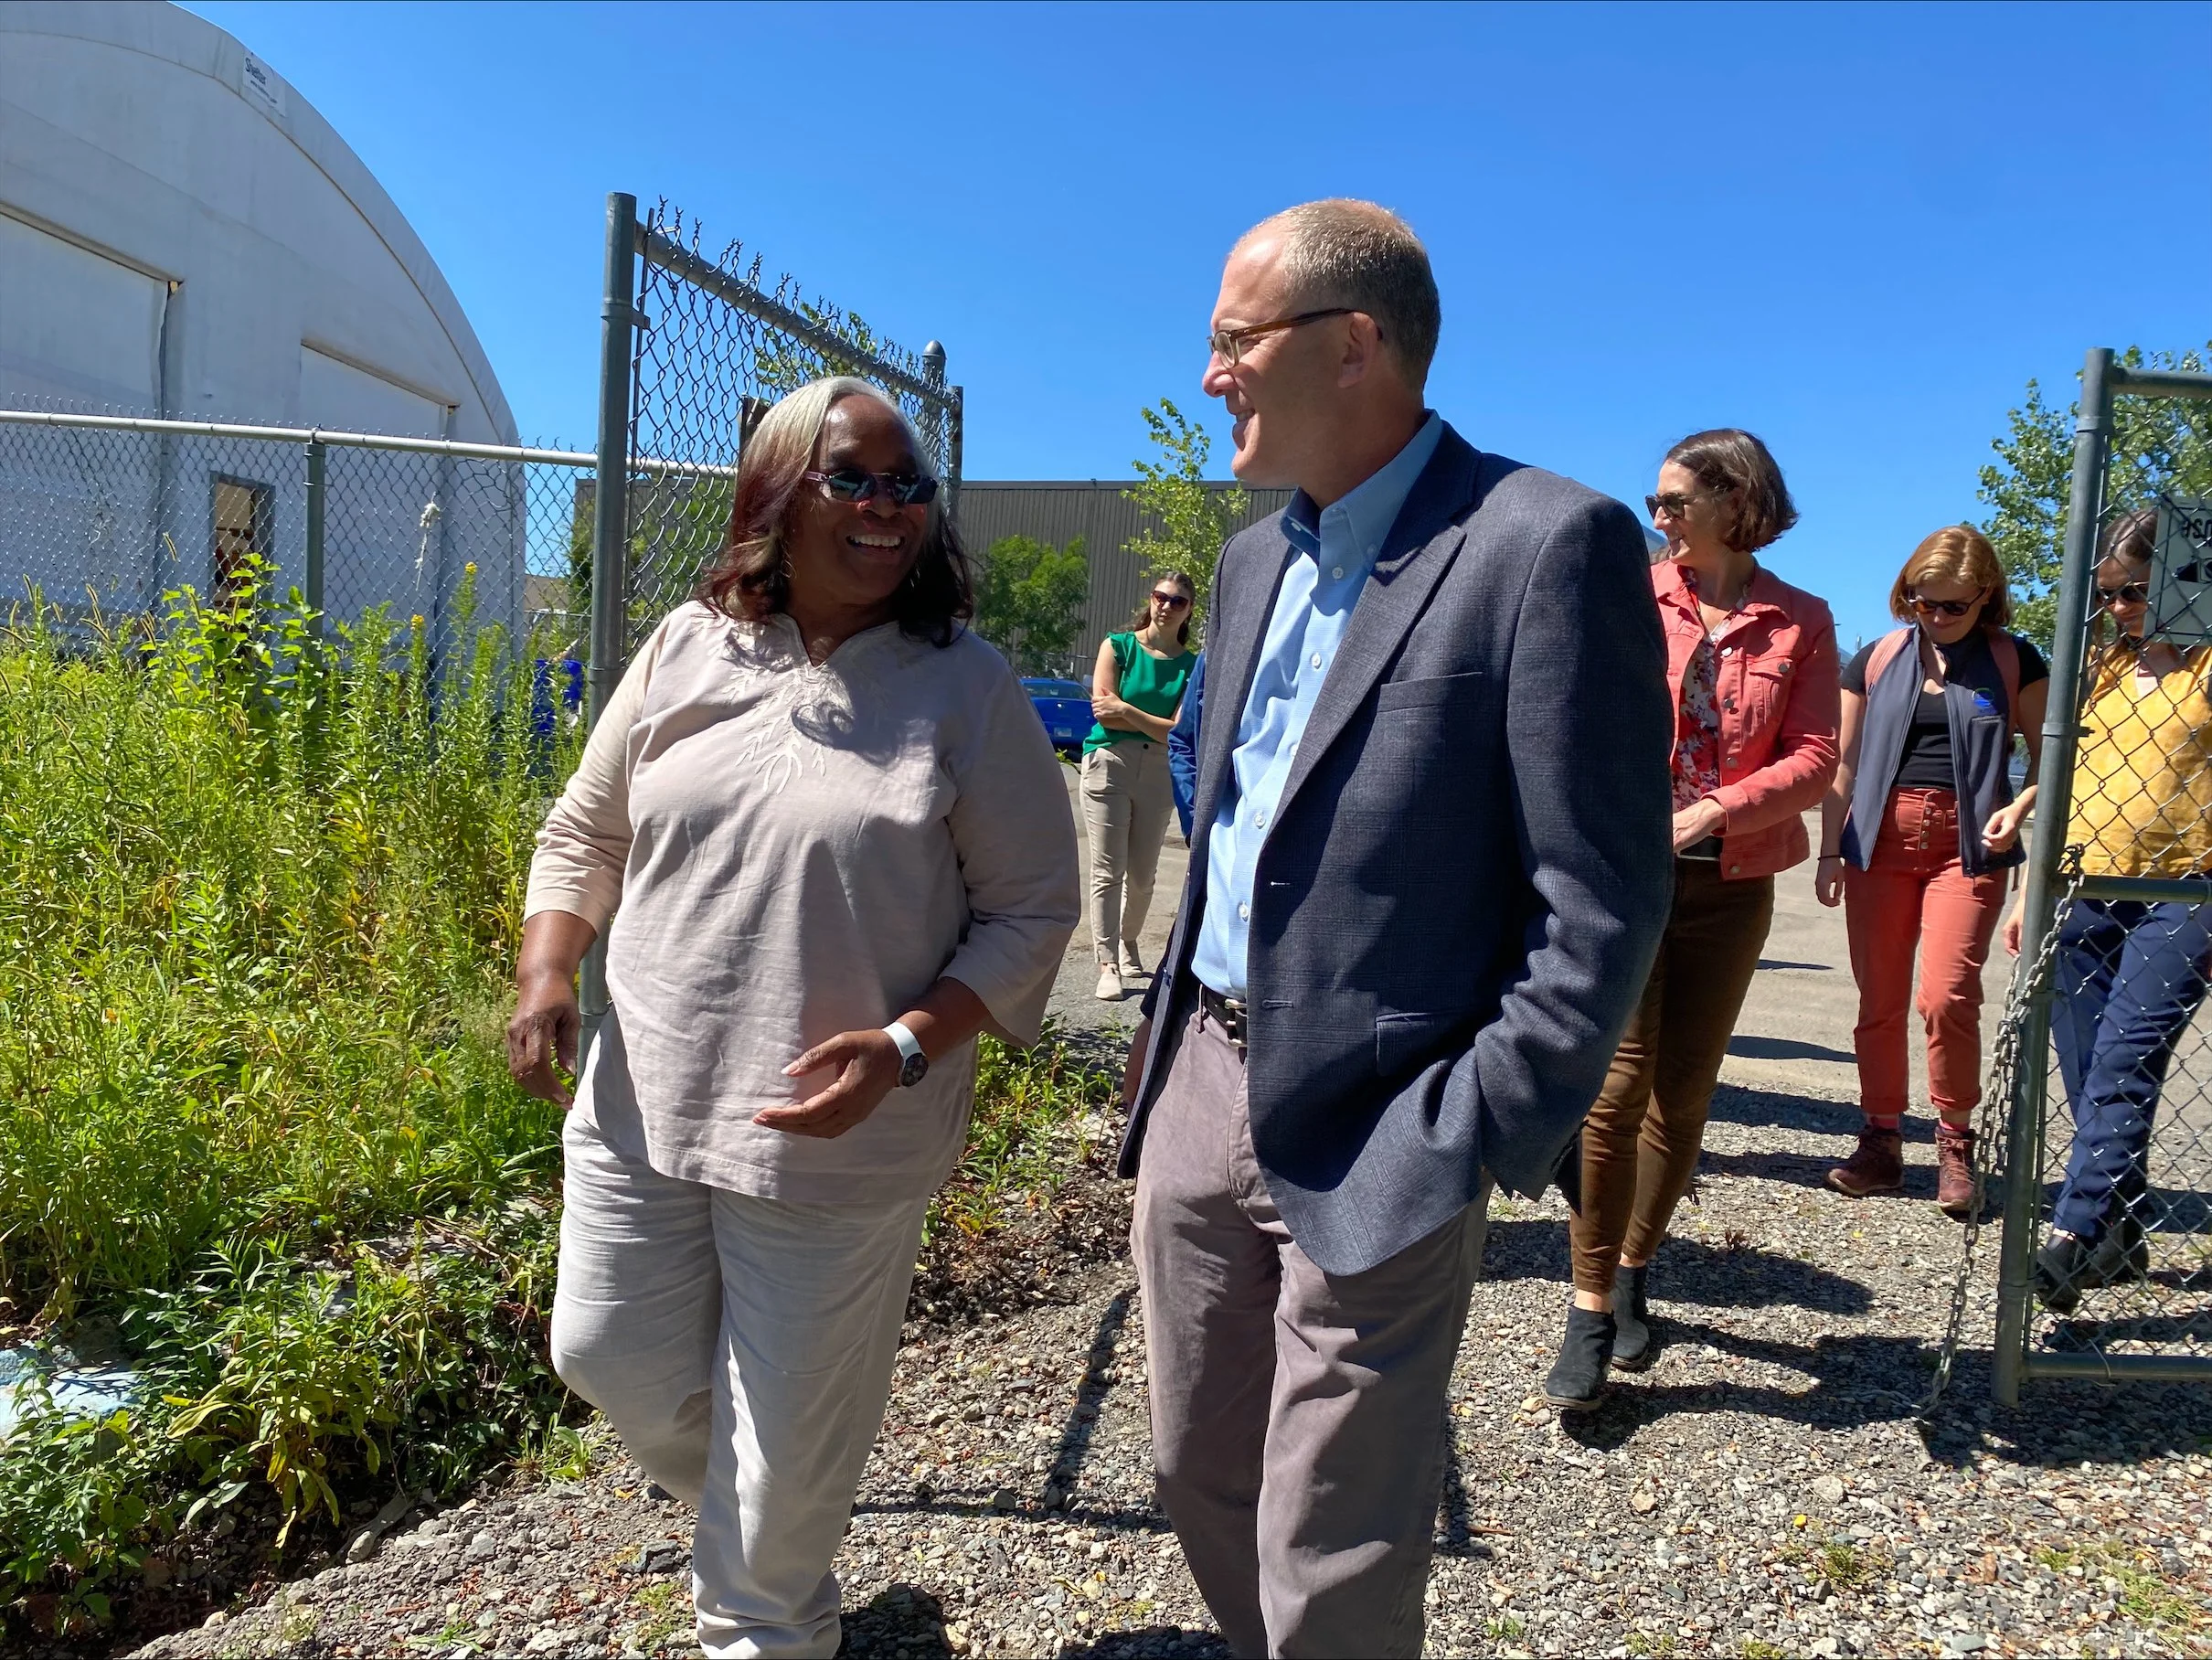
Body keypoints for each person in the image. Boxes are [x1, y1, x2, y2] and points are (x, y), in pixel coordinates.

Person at [1118, 199, 1672, 1657]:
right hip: (1200, 1079)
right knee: (1195, 1469)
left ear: (1354, 343)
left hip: (1389, 1117)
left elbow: (1602, 890)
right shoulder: (1249, 565)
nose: (1212, 375)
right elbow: (1243, 817)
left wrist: (1483, 1121)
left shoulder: (1546, 545)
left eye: (1233, 340)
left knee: (1337, 1531)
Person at [506, 378, 1078, 1659]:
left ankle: (771, 1604)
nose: (887, 509)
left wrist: (909, 1045)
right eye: (853, 480)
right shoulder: (685, 647)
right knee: (605, 1357)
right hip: (641, 1098)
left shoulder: (966, 690)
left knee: (774, 1508)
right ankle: (779, 1516)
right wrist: (551, 971)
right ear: (776, 493)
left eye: (909, 486)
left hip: (837, 1138)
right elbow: (585, 832)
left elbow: (1036, 909)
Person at [1543, 431, 1839, 1410]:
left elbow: (1810, 755)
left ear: (1732, 500)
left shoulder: (1798, 620)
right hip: (1627, 878)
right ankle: (1586, 1309)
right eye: (1656, 502)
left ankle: (1633, 1265)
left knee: (1684, 1091)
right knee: (1614, 1086)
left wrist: (1719, 808)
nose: (1657, 516)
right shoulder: (1631, 594)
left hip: (1730, 884)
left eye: (1672, 500)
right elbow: (1573, 711)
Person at [2010, 510, 2212, 1310]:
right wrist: (2030, 835)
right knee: (2088, 1066)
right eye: (2106, 595)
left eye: (2131, 591)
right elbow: (2076, 765)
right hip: (2084, 886)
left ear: (2178, 580)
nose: (2118, 608)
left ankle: (2075, 1230)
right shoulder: (2100, 666)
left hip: (2184, 891)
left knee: (2127, 1056)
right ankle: (2123, 1229)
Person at [1817, 526, 2047, 1214]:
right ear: (1908, 595)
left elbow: (2050, 753)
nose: (1939, 618)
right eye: (1925, 604)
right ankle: (1881, 1141)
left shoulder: (2013, 660)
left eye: (1954, 607)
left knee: (1946, 997)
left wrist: (2025, 804)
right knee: (1879, 1000)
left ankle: (1954, 1142)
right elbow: (1843, 761)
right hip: (1878, 846)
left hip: (1968, 848)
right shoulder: (1879, 657)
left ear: (1985, 598)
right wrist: (1831, 849)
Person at [1082, 574, 1197, 998]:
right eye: (1160, 596)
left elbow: (1177, 732)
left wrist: (1125, 708)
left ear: (1188, 611)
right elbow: (1102, 714)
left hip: (1157, 773)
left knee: (1144, 876)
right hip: (1108, 763)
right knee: (1108, 870)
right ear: (1149, 599)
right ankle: (1107, 961)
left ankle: (1129, 940)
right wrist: (1148, 721)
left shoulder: (1191, 666)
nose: (1166, 606)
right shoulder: (1118, 646)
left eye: (1178, 601)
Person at [1169, 649, 1207, 842]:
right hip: (1217, 838)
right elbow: (1183, 740)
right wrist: (1193, 822)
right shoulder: (1213, 655)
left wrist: (1124, 711)